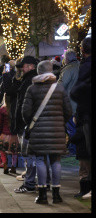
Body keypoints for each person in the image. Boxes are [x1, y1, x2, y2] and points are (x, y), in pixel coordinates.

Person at [22, 60, 72, 204]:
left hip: (38, 131)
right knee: (56, 161)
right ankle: (56, 195)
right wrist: (60, 122)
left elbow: (25, 112)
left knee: (40, 161)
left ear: (38, 72)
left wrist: (31, 123)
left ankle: (43, 195)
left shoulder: (32, 89)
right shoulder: (60, 88)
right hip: (57, 130)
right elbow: (68, 111)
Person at [13, 56, 40, 194]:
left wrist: (24, 122)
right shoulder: (33, 79)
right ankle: (38, 182)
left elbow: (24, 106)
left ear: (30, 66)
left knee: (29, 154)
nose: (22, 69)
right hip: (34, 123)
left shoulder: (29, 81)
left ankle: (29, 182)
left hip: (27, 124)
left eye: (23, 66)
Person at [70, 37, 91, 199]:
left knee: (85, 153)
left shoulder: (86, 66)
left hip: (85, 115)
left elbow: (76, 91)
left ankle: (86, 187)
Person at [57, 49, 80, 156]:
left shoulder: (68, 70)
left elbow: (60, 87)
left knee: (71, 127)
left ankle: (73, 149)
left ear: (66, 59)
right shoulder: (81, 66)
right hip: (81, 103)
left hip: (70, 104)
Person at [0, 93, 20, 174]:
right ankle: (13, 166)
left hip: (4, 134)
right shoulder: (16, 108)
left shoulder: (2, 109)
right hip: (14, 135)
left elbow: (0, 123)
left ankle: (5, 163)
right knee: (14, 151)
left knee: (2, 150)